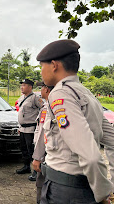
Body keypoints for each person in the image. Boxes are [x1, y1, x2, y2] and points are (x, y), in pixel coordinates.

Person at [37, 40, 114, 204]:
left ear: (54, 65)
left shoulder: (61, 94)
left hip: (63, 191)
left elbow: (91, 157)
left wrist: (102, 194)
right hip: (82, 189)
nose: (41, 72)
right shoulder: (86, 93)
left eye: (41, 67)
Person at [16, 79, 43, 181]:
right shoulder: (21, 98)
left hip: (31, 129)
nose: (22, 87)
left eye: (24, 85)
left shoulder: (35, 98)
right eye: (21, 85)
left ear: (30, 87)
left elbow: (43, 109)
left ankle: (36, 171)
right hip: (22, 128)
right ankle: (26, 167)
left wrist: (39, 125)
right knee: (24, 149)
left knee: (32, 150)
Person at [32, 82, 53, 203]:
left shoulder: (48, 108)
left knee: (41, 180)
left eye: (42, 87)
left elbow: (42, 132)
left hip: (45, 151)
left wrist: (38, 156)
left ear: (47, 90)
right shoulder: (46, 106)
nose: (40, 90)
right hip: (44, 149)